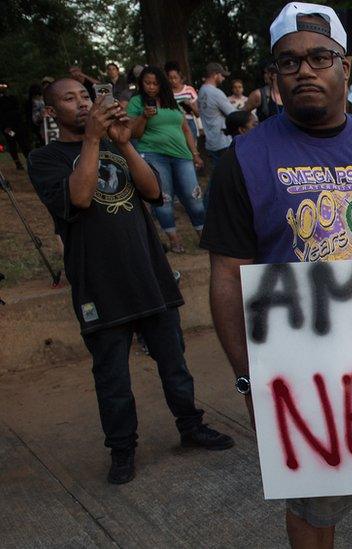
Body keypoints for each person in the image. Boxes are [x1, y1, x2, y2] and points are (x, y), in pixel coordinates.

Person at [201, 4, 352, 547]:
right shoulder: (243, 160)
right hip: (303, 378)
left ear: (345, 66)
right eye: (289, 62)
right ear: (274, 75)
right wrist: (249, 380)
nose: (304, 70)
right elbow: (226, 277)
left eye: (319, 57)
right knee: (315, 509)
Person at [27, 78, 233, 486]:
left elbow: (155, 191)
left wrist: (122, 143)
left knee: (174, 362)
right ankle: (122, 449)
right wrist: (91, 141)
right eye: (69, 99)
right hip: (99, 284)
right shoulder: (45, 159)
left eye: (85, 96)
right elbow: (81, 197)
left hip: (147, 273)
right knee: (113, 378)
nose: (82, 103)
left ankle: (190, 425)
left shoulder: (114, 145)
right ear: (52, 112)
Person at [126, 65, 206, 253]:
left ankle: (203, 237)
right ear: (141, 84)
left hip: (182, 155)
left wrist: (195, 153)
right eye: (147, 83)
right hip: (153, 154)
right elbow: (133, 133)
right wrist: (144, 117)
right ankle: (174, 239)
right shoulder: (137, 102)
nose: (151, 87)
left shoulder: (171, 102)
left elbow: (185, 129)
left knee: (193, 196)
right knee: (164, 198)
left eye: (155, 83)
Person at [197, 62, 237, 167]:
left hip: (210, 142)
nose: (223, 78)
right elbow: (233, 114)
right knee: (227, 175)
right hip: (222, 141)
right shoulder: (215, 92)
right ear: (215, 74)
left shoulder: (201, 91)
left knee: (217, 174)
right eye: (222, 75)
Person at [164, 62, 202, 139]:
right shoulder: (166, 93)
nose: (173, 80)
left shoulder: (189, 90)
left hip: (189, 122)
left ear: (180, 76)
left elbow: (197, 113)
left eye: (175, 77)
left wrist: (189, 105)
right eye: (170, 78)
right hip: (173, 124)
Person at [0, 82, 30, 169]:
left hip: (17, 124)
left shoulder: (12, 98)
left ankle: (29, 160)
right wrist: (5, 127)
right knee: (12, 142)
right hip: (8, 127)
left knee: (23, 142)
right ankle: (18, 163)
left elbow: (19, 108)